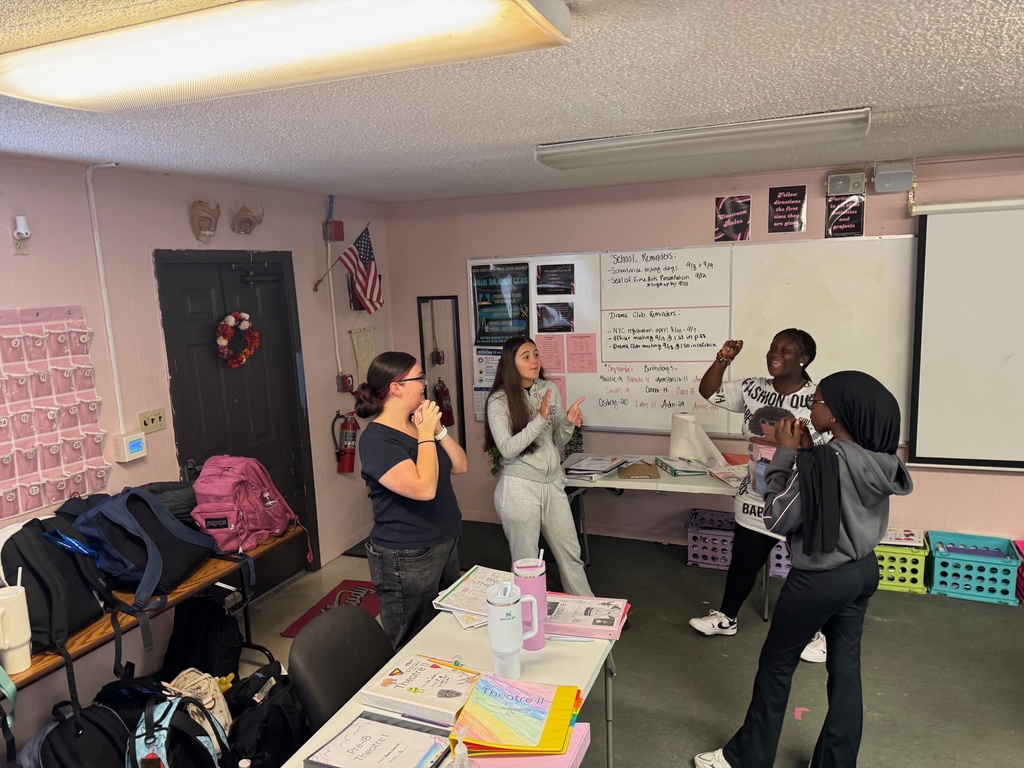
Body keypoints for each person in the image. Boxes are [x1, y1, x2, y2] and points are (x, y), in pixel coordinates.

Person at [695, 370, 913, 768]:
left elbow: (778, 519)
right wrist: (808, 457)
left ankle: (746, 758)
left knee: (777, 666)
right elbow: (834, 491)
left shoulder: (827, 461)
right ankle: (835, 761)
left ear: (837, 413)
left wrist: (785, 455)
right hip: (862, 572)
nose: (812, 406)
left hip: (819, 579)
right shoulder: (878, 459)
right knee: (846, 669)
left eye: (819, 401)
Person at [688, 329, 830, 663]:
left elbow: (827, 444)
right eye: (772, 348)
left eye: (786, 350)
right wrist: (724, 358)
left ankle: (814, 632)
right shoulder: (753, 388)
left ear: (803, 358)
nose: (775, 354)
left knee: (806, 568)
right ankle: (726, 618)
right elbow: (707, 391)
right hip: (756, 495)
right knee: (743, 562)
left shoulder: (817, 397)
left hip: (800, 498)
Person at [354, 351, 469, 650]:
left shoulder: (416, 427)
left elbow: (460, 465)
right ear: (396, 387)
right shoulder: (377, 440)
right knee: (412, 641)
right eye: (418, 378)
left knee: (446, 628)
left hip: (444, 541)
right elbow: (424, 488)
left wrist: (438, 430)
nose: (425, 383)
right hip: (406, 554)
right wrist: (425, 434)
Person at [484, 336, 594, 597]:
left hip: (553, 484)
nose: (534, 361)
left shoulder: (549, 389)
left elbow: (555, 439)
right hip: (519, 489)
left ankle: (589, 610)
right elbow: (508, 448)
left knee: (571, 554)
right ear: (511, 363)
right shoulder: (498, 401)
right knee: (526, 563)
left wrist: (567, 421)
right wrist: (539, 419)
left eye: (536, 354)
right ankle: (529, 619)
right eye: (526, 356)